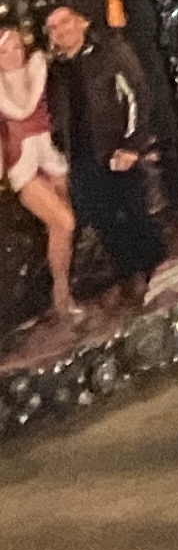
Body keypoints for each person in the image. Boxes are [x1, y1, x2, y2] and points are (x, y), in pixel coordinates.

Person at [37, 3, 165, 305]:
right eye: (53, 28)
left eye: (65, 22)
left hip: (116, 151)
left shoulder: (110, 53)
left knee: (133, 211)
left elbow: (137, 95)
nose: (61, 31)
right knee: (103, 220)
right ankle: (130, 274)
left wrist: (132, 145)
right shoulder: (55, 71)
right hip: (82, 159)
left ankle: (156, 268)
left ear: (82, 22)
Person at [0, 21, 77, 339]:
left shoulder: (36, 65)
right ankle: (60, 294)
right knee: (64, 222)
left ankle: (64, 290)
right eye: (4, 51)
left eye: (17, 47)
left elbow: (40, 102)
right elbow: (19, 110)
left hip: (50, 156)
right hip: (24, 165)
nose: (13, 55)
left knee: (60, 232)